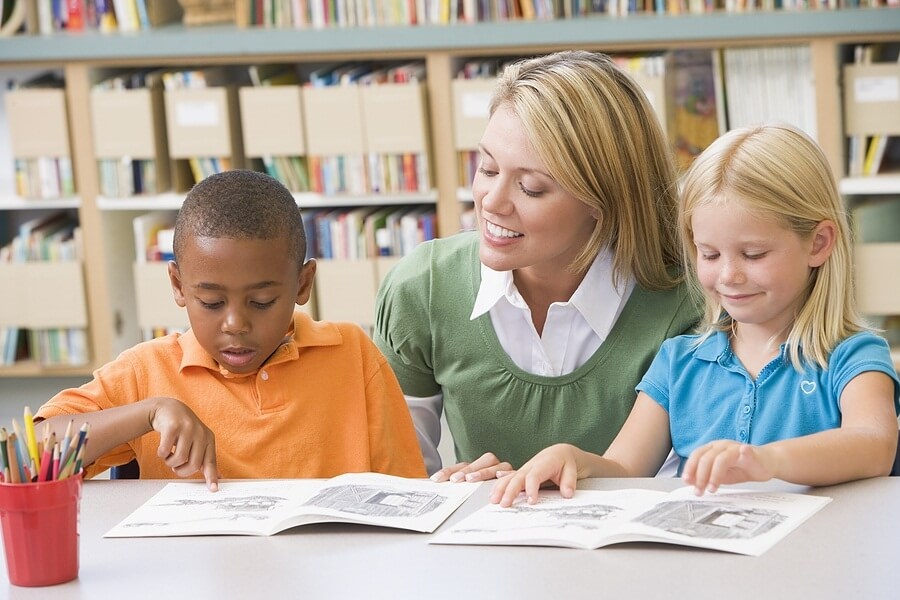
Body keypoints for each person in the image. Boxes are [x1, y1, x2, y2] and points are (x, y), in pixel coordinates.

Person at [491, 123, 900, 506]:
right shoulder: (679, 361)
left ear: (819, 243)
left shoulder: (852, 356)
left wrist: (768, 462)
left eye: (753, 254)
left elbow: (873, 444)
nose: (729, 275)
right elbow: (626, 469)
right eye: (709, 254)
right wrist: (572, 459)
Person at [374, 50, 699, 481]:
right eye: (487, 168)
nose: (490, 201)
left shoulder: (689, 305)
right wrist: (453, 492)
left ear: (602, 202)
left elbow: (684, 494)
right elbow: (400, 482)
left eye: (530, 188)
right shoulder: (423, 288)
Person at [36, 170, 426, 490]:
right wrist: (150, 412)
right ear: (178, 286)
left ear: (303, 284)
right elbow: (29, 458)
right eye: (211, 303)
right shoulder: (146, 372)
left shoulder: (352, 355)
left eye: (261, 302)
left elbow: (406, 493)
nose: (235, 324)